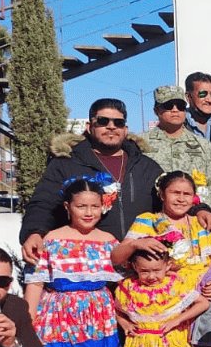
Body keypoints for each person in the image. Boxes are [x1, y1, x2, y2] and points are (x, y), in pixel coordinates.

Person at [20, 98, 167, 265]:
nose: (111, 126)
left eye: (118, 123)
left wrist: (199, 210)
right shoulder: (66, 164)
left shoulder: (146, 166)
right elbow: (43, 203)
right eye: (103, 121)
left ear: (125, 130)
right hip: (86, 261)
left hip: (139, 266)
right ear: (89, 127)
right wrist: (34, 232)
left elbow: (173, 194)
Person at [25, 176, 122, 347]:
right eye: (81, 206)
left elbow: (125, 284)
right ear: (68, 207)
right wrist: (27, 323)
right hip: (57, 319)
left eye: (94, 206)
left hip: (98, 320)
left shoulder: (110, 242)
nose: (89, 212)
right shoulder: (51, 239)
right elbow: (35, 283)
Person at [113, 170, 211, 292]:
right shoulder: (147, 222)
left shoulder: (200, 223)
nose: (181, 199)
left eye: (187, 194)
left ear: (194, 198)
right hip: (163, 294)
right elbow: (116, 258)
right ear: (162, 195)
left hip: (202, 290)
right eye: (175, 193)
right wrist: (135, 244)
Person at [115, 248, 210, 347]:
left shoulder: (174, 286)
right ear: (135, 267)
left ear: (167, 266)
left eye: (156, 270)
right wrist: (125, 324)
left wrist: (178, 320)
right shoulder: (128, 288)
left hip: (170, 346)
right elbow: (116, 310)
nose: (151, 276)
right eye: (144, 271)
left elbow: (203, 303)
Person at [144, 85, 211, 212]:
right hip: (153, 217)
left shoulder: (202, 145)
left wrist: (207, 211)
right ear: (157, 110)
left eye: (180, 106)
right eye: (168, 106)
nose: (175, 110)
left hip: (194, 220)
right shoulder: (141, 143)